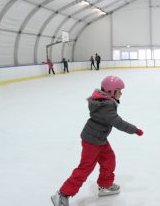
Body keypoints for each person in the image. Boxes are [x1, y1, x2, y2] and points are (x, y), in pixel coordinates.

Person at [51, 76, 144, 206]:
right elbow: (118, 122)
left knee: (109, 159)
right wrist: (135, 130)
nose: (121, 93)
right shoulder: (105, 107)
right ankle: (62, 194)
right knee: (85, 168)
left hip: (99, 139)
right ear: (111, 91)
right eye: (119, 90)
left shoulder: (104, 102)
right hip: (92, 141)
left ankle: (104, 185)